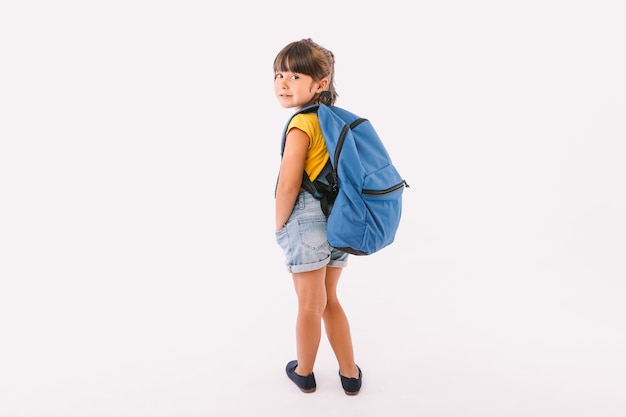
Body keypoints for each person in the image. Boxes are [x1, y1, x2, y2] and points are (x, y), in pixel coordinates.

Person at [273, 38, 362, 396]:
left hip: (307, 222)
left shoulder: (301, 125)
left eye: (295, 76)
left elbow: (288, 184)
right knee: (330, 300)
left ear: (320, 84)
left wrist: (280, 224)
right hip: (341, 219)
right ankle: (350, 373)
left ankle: (305, 372)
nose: (283, 82)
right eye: (279, 74)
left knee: (309, 304)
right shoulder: (334, 121)